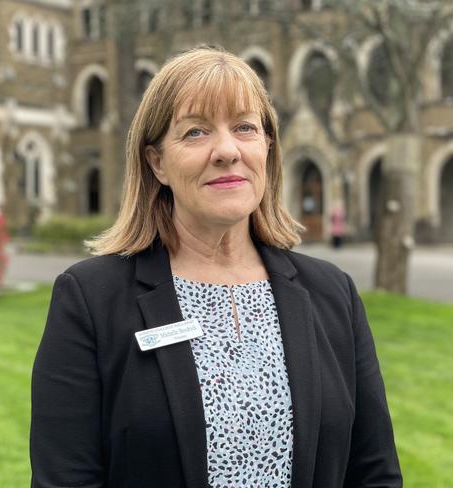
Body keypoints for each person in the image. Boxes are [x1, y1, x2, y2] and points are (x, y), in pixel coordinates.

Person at [30, 46, 402, 488]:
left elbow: (374, 472)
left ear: (266, 147)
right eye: (195, 133)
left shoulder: (332, 294)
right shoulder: (91, 299)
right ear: (157, 162)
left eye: (244, 127)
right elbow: (66, 479)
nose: (227, 151)